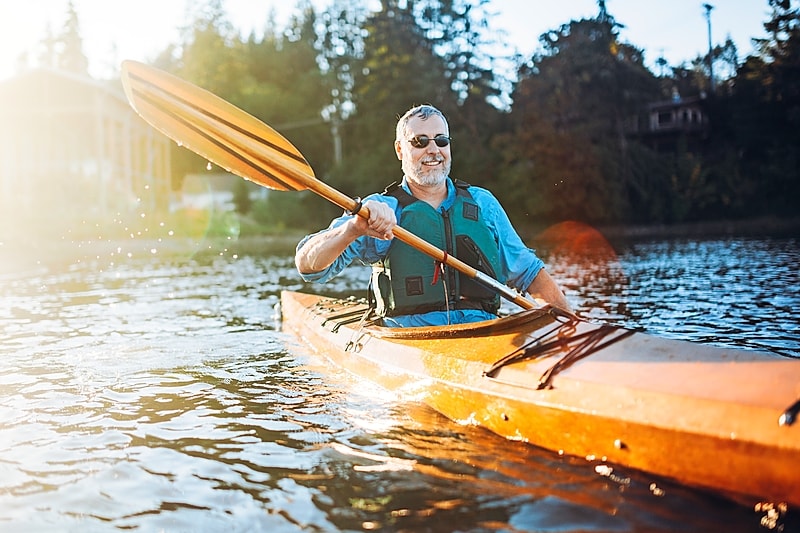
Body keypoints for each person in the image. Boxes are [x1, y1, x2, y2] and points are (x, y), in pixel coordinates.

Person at [295, 104, 572, 327]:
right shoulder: (378, 210)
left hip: (484, 336)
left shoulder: (482, 203)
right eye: (419, 141)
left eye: (441, 140)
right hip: (411, 343)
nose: (433, 150)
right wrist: (352, 229)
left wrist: (572, 328)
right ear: (400, 149)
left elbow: (530, 274)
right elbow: (308, 266)